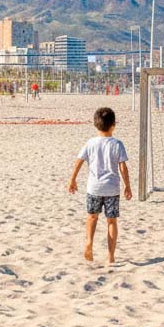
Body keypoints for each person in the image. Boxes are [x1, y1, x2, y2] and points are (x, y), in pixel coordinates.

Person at [66, 107, 132, 264]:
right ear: (113, 125)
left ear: (96, 125)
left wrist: (72, 179)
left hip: (94, 188)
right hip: (112, 188)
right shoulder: (117, 144)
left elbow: (79, 161)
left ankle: (89, 242)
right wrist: (127, 185)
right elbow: (123, 167)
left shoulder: (90, 143)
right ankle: (110, 256)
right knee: (111, 221)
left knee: (92, 217)